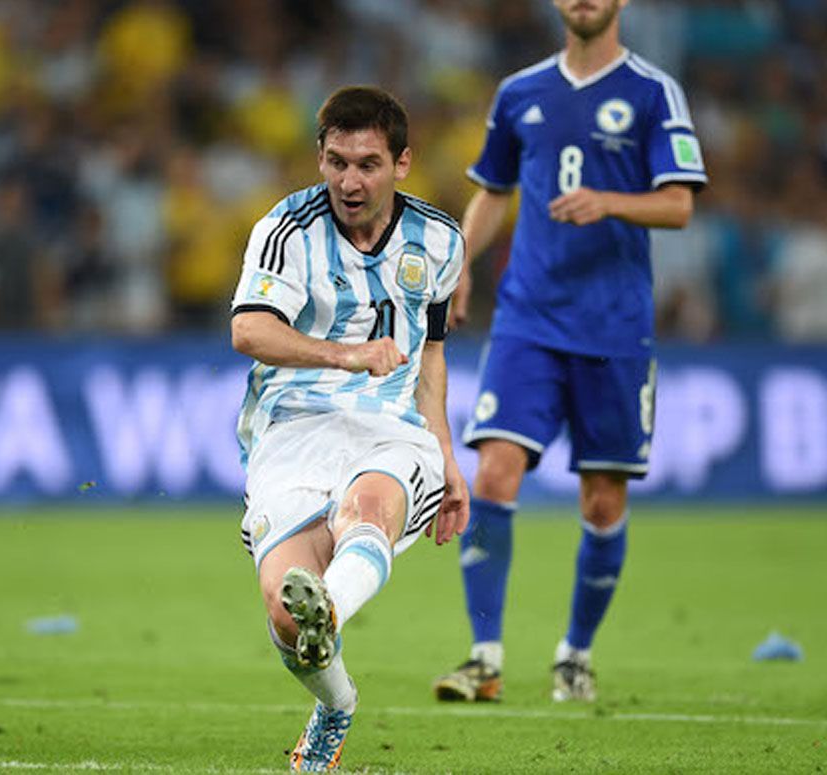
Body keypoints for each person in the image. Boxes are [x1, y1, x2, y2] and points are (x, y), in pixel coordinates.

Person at [432, 0, 707, 704]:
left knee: (603, 496)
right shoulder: (519, 92)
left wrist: (610, 202)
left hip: (614, 326)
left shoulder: (652, 91)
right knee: (493, 470)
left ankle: (574, 654)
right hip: (528, 318)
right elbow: (493, 190)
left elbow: (678, 204)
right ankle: (483, 656)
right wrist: (461, 264)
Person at [231, 86, 470, 771]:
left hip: (390, 428)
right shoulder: (286, 229)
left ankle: (325, 610)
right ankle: (335, 700)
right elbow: (248, 328)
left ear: (402, 163)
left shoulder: (439, 240)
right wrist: (345, 353)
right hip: (292, 428)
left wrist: (448, 460)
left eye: (367, 163)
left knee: (368, 506)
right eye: (335, 162)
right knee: (283, 611)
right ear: (319, 157)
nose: (348, 180)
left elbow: (430, 352)